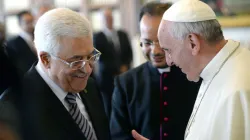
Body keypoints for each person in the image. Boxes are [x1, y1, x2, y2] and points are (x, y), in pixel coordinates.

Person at [133, 0, 250, 140]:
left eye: (168, 50)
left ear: (193, 43)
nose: (169, 61)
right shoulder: (216, 70)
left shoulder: (237, 91)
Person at [0, 8, 110, 140]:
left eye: (90, 56)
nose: (87, 70)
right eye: (76, 61)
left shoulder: (90, 86)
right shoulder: (13, 107)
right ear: (46, 59)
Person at [110, 2, 201, 140]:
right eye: (147, 42)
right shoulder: (125, 84)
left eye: (161, 41)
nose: (155, 51)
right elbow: (118, 135)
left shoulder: (198, 78)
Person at [93, 8, 133, 117]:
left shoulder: (123, 34)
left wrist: (125, 66)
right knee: (109, 107)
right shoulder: (97, 37)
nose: (109, 20)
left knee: (125, 104)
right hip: (107, 79)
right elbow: (100, 59)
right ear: (102, 20)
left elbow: (129, 53)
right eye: (106, 18)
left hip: (124, 76)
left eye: (110, 17)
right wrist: (117, 69)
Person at [6, 11, 37, 78]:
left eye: (32, 21)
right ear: (19, 24)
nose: (30, 24)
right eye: (27, 22)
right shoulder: (13, 43)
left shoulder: (38, 37)